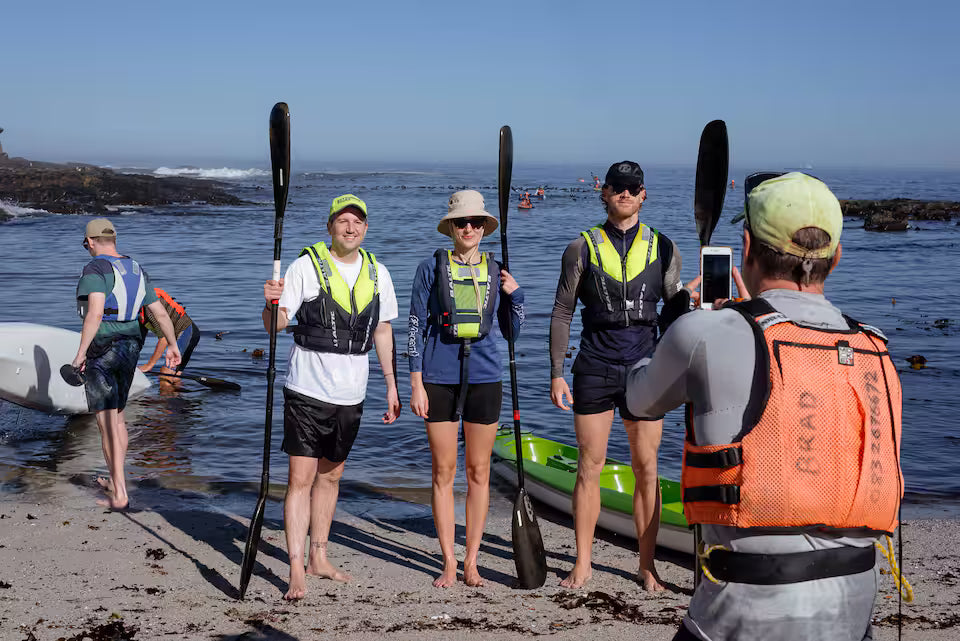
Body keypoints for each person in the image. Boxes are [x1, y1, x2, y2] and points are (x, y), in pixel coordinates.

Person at [626, 172, 904, 640]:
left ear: (748, 246)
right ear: (835, 257)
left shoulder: (704, 332)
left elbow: (639, 400)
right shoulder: (876, 349)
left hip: (744, 607)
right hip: (855, 610)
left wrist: (675, 320)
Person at [549, 160, 684, 590]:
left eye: (632, 187)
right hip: (594, 366)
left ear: (644, 194)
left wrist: (693, 312)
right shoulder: (580, 247)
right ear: (603, 193)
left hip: (646, 369)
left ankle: (647, 567)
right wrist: (556, 372)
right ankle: (583, 562)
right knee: (590, 466)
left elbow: (674, 313)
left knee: (646, 468)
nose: (625, 194)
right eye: (617, 187)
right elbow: (562, 311)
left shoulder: (664, 247)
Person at [262, 194, 401, 600]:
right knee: (300, 479)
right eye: (343, 220)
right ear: (330, 227)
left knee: (332, 475)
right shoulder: (305, 267)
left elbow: (383, 331)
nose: (351, 227)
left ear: (366, 228)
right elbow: (277, 323)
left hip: (352, 393)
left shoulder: (379, 272)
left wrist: (392, 384)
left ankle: (318, 557)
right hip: (306, 390)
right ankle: (295, 569)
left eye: (358, 221)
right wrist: (270, 303)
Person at [408, 190, 524, 588]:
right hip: (438, 379)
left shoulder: (499, 270)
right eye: (462, 223)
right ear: (452, 227)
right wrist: (414, 381)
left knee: (478, 471)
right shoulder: (429, 268)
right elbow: (413, 328)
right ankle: (448, 561)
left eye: (476, 223)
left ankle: (472, 561)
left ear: (485, 228)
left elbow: (513, 332)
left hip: (485, 377)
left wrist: (516, 296)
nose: (469, 228)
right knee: (444, 471)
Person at [72, 218, 181, 510]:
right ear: (114, 240)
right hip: (131, 345)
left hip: (103, 348)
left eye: (86, 244)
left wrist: (81, 353)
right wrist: (172, 344)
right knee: (117, 417)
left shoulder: (95, 268)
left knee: (105, 420)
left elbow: (94, 313)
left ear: (91, 242)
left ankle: (119, 494)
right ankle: (117, 480)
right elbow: (158, 312)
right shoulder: (135, 268)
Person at [138, 288, 200, 377]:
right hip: (183, 335)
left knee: (165, 374)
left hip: (187, 333)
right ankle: (178, 389)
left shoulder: (149, 308)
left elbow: (164, 339)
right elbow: (139, 340)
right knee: (175, 377)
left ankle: (169, 387)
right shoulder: (137, 312)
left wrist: (149, 365)